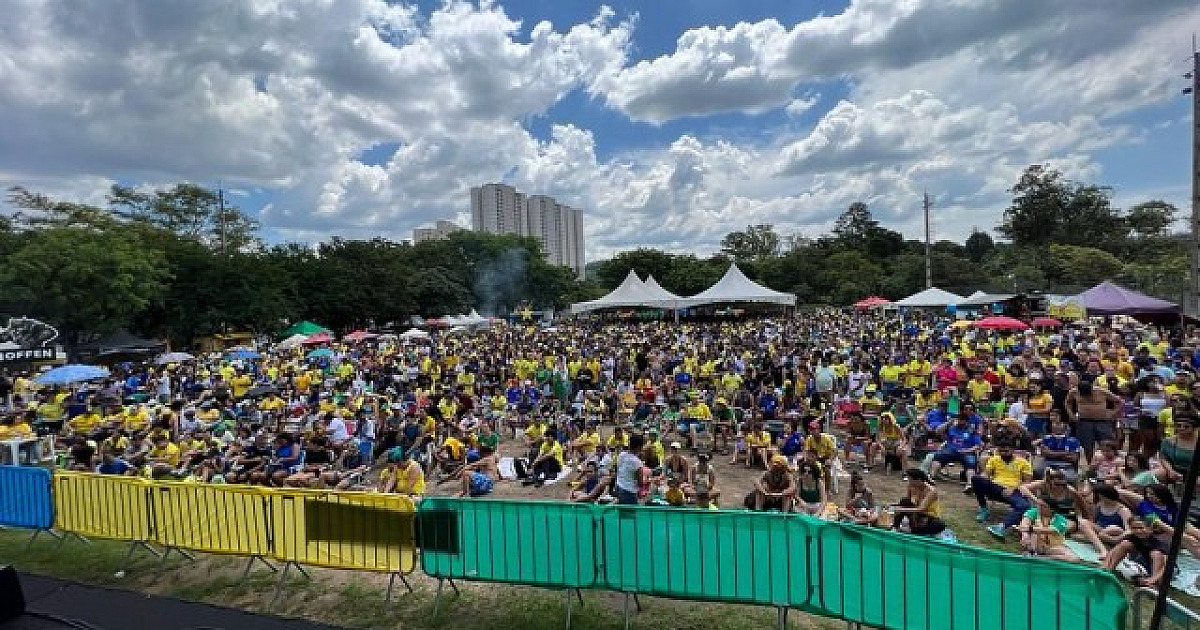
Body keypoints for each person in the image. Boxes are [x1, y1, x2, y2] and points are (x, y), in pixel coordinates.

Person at [1101, 516, 1168, 587]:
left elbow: (1167, 565)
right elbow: (1114, 550)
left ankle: (1154, 583)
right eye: (1134, 528)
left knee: (1156, 554)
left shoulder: (1158, 543)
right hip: (1141, 563)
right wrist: (1105, 565)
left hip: (1161, 569)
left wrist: (1154, 579)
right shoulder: (1132, 537)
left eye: (1141, 528)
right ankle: (1109, 570)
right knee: (1125, 544)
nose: (1138, 531)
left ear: (1150, 529)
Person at [891, 469, 946, 537]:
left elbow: (922, 509)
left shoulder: (931, 491)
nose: (909, 482)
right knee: (904, 501)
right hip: (916, 513)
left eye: (910, 480)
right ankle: (896, 526)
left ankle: (917, 531)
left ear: (919, 480)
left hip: (929, 515)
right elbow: (907, 502)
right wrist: (895, 506)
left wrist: (900, 509)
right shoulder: (911, 486)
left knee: (939, 524)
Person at [614, 434, 645, 505]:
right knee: (632, 512)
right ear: (639, 447)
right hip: (629, 492)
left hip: (618, 487)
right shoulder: (637, 462)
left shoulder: (621, 455)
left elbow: (617, 469)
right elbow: (640, 482)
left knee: (620, 510)